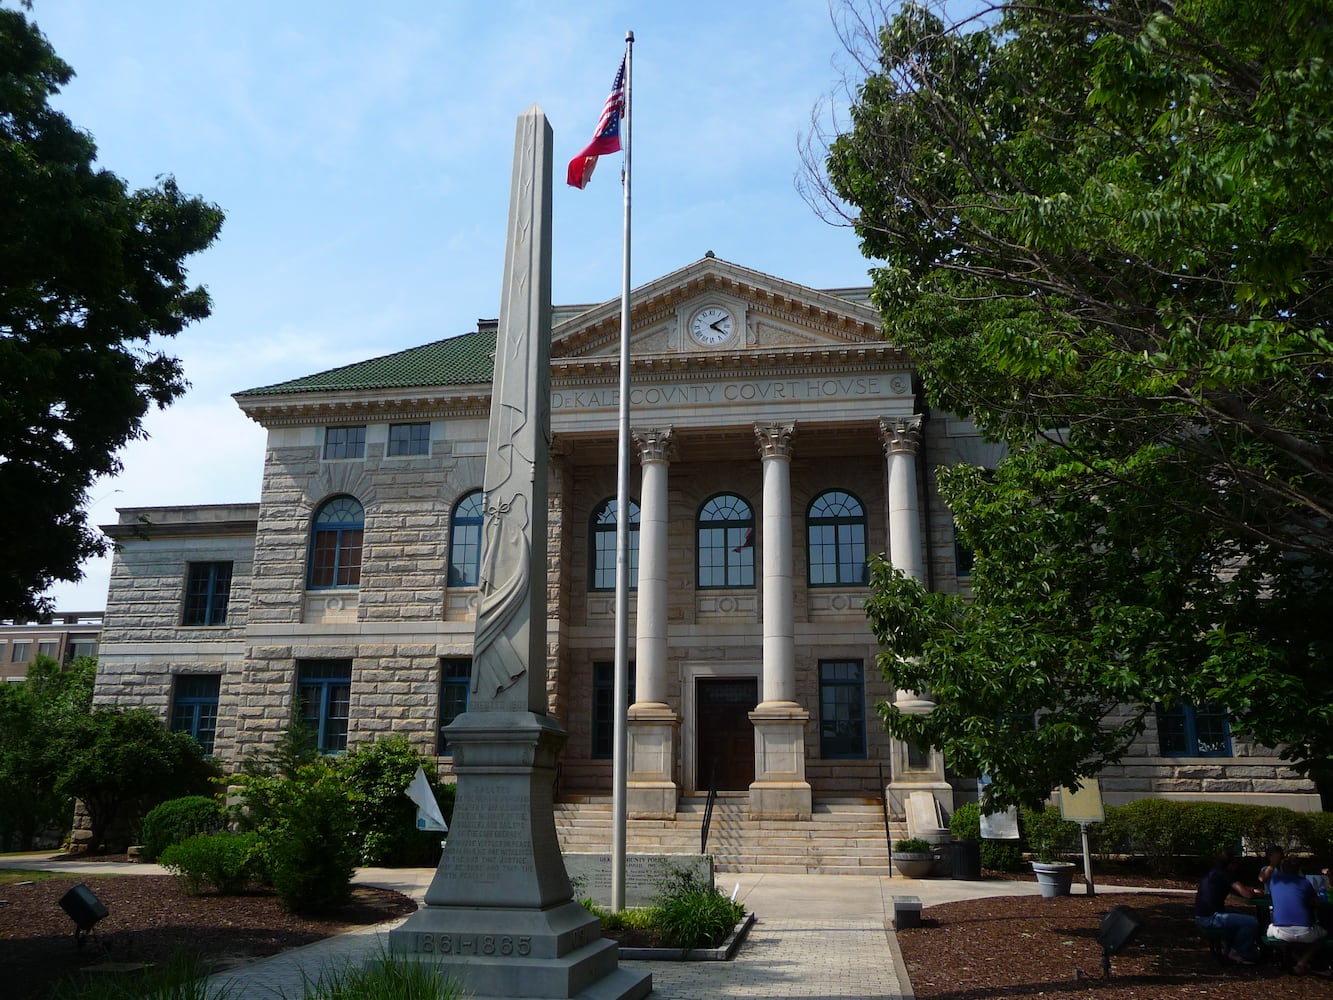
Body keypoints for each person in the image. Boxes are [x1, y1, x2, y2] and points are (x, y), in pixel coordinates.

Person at [1195, 850, 1261, 964]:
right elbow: (1246, 894)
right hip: (1212, 918)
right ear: (1231, 864)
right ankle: (1238, 951)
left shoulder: (1212, 873)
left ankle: (1231, 949)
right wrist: (1257, 893)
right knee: (1252, 921)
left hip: (1201, 916)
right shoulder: (1226, 874)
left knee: (1237, 915)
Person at [1268, 859, 1331, 976]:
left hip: (1281, 930)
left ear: (1281, 869)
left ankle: (1296, 959)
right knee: (1323, 937)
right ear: (1299, 870)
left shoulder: (1274, 881)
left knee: (1272, 935)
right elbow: (1316, 902)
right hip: (1305, 930)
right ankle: (1302, 962)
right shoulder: (1304, 883)